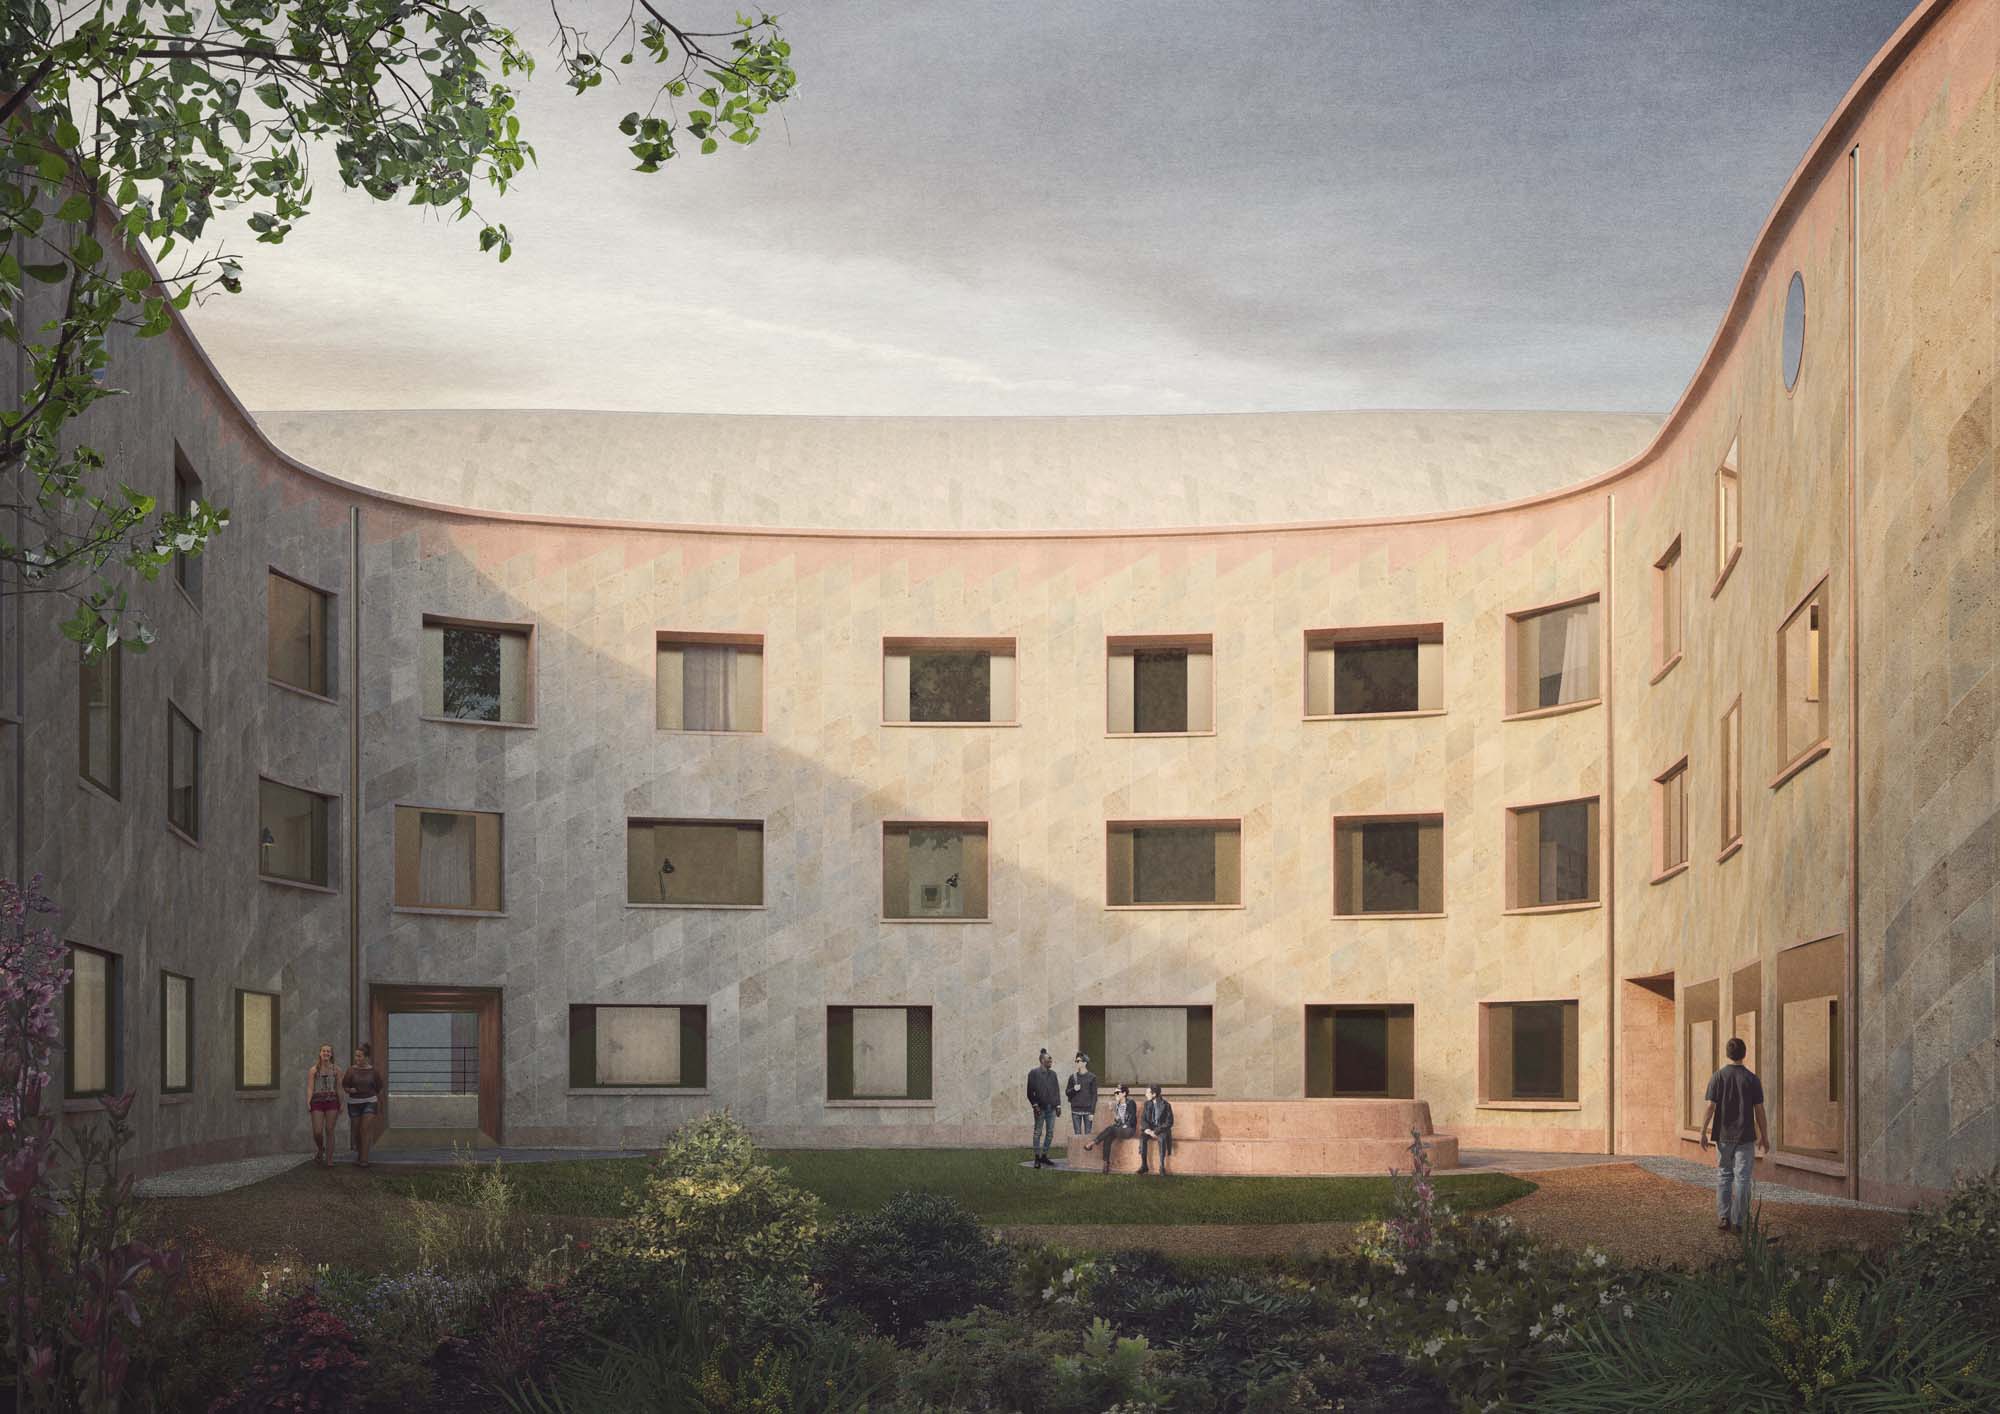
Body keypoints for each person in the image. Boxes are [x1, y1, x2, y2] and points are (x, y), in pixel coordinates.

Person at [1698, 1035, 1769, 1232]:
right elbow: (1759, 1110)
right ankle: (1739, 1221)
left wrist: (1703, 1131)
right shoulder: (1752, 1079)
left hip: (1723, 1136)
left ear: (1727, 1054)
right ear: (1744, 1054)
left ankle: (1724, 1217)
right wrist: (1764, 1135)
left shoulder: (1717, 1077)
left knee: (1723, 1175)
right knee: (1743, 1179)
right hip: (1745, 1137)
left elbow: (1710, 1107)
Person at [342, 1043, 383, 1169]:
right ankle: (360, 1155)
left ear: (366, 1057)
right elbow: (345, 1085)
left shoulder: (373, 1071)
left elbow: (379, 1087)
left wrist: (376, 1100)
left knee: (365, 1129)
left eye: (360, 1056)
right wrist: (350, 1090)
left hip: (370, 1102)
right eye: (356, 1056)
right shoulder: (351, 1070)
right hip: (354, 1104)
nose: (357, 1059)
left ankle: (364, 1160)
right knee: (357, 1131)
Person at [1083, 1084, 1139, 1173]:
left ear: (1124, 1093)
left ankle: (1093, 1142)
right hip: (1120, 1129)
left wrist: (1124, 1125)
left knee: (1111, 1129)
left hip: (1129, 1130)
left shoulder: (1131, 1103)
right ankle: (1106, 1164)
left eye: (1117, 1092)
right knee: (1107, 1138)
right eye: (1114, 1093)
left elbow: (1131, 1119)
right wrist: (1112, 1110)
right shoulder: (1117, 1105)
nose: (1115, 1094)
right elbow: (1118, 1121)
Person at [1027, 1048, 1063, 1168]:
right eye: (1049, 1060)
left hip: (1051, 1108)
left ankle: (1044, 1156)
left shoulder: (1053, 1074)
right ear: (1042, 1060)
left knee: (1050, 1133)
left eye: (1051, 1060)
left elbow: (1056, 1091)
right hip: (1040, 1109)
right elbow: (1029, 1092)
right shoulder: (1033, 1073)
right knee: (1037, 1133)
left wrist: (1058, 1105)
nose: (1051, 1062)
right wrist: (1035, 1105)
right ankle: (1037, 1158)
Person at [307, 1043, 342, 1167]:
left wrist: (341, 1103)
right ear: (320, 1053)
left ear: (331, 1054)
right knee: (317, 1131)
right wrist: (308, 1101)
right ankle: (321, 1148)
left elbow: (339, 1088)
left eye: (328, 1051)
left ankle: (329, 1159)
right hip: (317, 1101)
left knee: (330, 1130)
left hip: (332, 1101)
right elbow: (310, 1087)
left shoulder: (336, 1069)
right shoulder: (313, 1070)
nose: (326, 1053)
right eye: (323, 1051)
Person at [1141, 1084, 1175, 1175]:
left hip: (1161, 1129)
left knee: (1162, 1139)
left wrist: (1156, 1131)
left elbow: (1169, 1122)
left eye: (1147, 1093)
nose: (1145, 1095)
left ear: (1154, 1094)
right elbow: (1143, 1119)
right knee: (1142, 1138)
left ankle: (1162, 1166)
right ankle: (1144, 1166)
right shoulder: (1147, 1104)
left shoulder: (1166, 1105)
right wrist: (1147, 1129)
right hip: (1150, 1129)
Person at [1065, 1052, 1099, 1141]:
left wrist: (1092, 1112)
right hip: (1075, 1110)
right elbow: (1067, 1092)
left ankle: (1087, 1154)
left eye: (1079, 1061)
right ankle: (1078, 1154)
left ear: (1085, 1063)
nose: (1077, 1063)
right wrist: (1074, 1089)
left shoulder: (1092, 1077)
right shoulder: (1073, 1077)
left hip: (1088, 1110)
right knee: (1077, 1135)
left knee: (1088, 1135)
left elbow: (1094, 1095)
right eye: (1076, 1061)